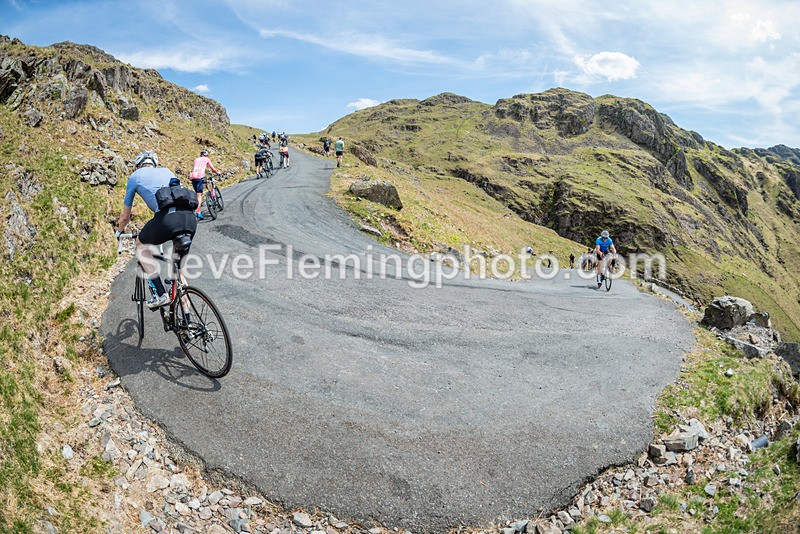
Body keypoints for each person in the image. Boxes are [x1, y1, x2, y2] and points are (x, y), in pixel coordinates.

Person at [115, 150, 197, 309]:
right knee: (179, 275)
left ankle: (160, 294)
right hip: (190, 218)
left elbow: (125, 217)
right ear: (154, 164)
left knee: (140, 245)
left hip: (168, 219)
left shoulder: (135, 176)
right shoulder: (167, 171)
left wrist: (118, 232)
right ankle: (188, 325)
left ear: (137, 166)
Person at [189, 149, 219, 220]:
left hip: (193, 177)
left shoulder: (196, 160)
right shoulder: (206, 159)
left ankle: (208, 193)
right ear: (206, 155)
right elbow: (212, 168)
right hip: (200, 177)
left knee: (197, 193)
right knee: (199, 196)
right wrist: (217, 172)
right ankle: (198, 212)